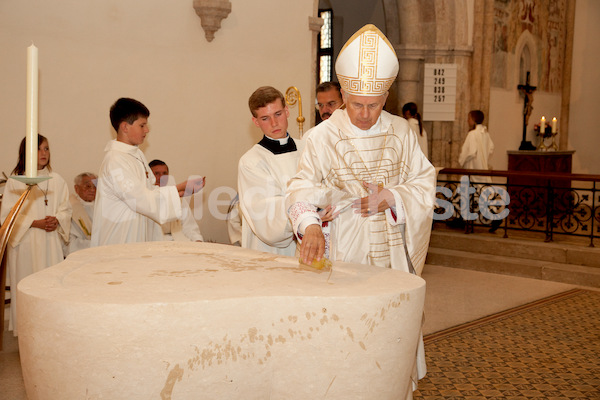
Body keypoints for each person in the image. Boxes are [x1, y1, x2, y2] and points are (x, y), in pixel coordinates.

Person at [285, 25, 435, 394]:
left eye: (374, 105)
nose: (365, 114)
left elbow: (424, 183)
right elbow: (299, 189)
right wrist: (311, 225)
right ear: (343, 96)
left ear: (386, 97)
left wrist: (393, 197)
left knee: (389, 343)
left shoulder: (402, 132)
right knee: (344, 342)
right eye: (356, 105)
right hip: (344, 250)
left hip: (390, 253)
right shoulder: (320, 138)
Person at [91, 98, 204, 246]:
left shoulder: (136, 156)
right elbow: (139, 199)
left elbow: (150, 191)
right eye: (142, 125)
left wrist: (179, 193)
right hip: (120, 238)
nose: (147, 130)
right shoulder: (115, 161)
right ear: (125, 127)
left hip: (138, 235)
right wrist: (178, 188)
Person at [238, 86, 331, 256]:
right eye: (265, 118)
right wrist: (308, 214)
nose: (274, 123)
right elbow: (265, 212)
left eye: (278, 114)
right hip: (271, 252)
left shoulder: (307, 148)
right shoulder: (251, 162)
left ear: (287, 111)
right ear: (256, 122)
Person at [0, 134, 71, 336]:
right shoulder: (16, 182)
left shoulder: (56, 180)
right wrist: (35, 222)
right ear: (26, 152)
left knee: (51, 286)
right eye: (38, 149)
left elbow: (66, 209)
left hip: (50, 242)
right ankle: (27, 333)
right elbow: (7, 216)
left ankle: (53, 330)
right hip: (26, 244)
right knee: (28, 285)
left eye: (46, 149)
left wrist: (57, 219)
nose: (43, 153)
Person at [149, 159, 204, 242]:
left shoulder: (177, 197)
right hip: (155, 242)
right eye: (156, 173)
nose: (161, 177)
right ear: (149, 176)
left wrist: (197, 240)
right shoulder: (146, 198)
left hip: (179, 241)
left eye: (164, 173)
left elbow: (190, 227)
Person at [458, 109, 494, 184]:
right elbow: (491, 148)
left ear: (474, 119)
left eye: (469, 118)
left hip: (473, 167)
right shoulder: (486, 134)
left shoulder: (472, 134)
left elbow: (472, 152)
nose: (467, 120)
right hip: (483, 167)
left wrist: (462, 159)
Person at [65, 172, 97, 255]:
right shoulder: (69, 208)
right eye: (88, 186)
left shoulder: (102, 206)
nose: (92, 190)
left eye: (95, 186)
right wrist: (95, 244)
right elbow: (69, 243)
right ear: (76, 188)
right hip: (80, 254)